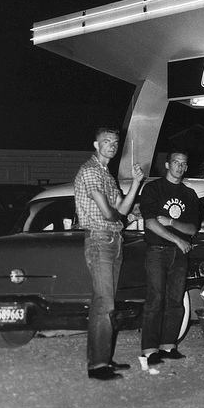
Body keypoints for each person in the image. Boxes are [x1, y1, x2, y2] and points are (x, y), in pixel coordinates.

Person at [73, 126, 145, 381]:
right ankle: (98, 366)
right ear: (96, 145)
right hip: (100, 239)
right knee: (105, 303)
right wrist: (121, 217)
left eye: (115, 142)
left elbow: (123, 207)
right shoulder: (91, 171)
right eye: (106, 141)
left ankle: (101, 359)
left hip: (113, 240)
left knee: (103, 302)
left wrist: (136, 183)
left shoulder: (108, 175)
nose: (112, 145)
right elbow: (110, 212)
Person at [139, 150, 199, 366]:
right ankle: (149, 350)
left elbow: (192, 228)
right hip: (157, 251)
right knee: (155, 299)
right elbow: (150, 222)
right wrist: (177, 240)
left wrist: (172, 223)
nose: (180, 167)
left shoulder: (190, 195)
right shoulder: (153, 188)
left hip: (180, 255)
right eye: (176, 162)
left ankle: (168, 346)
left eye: (184, 164)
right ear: (167, 165)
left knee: (175, 301)